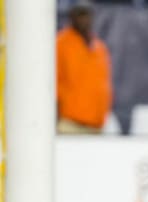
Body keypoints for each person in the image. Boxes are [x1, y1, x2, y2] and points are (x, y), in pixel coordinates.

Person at [56, 1, 113, 135]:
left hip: (96, 124)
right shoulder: (61, 43)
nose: (84, 19)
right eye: (80, 15)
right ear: (71, 17)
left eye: (87, 15)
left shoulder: (99, 47)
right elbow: (54, 81)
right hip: (70, 123)